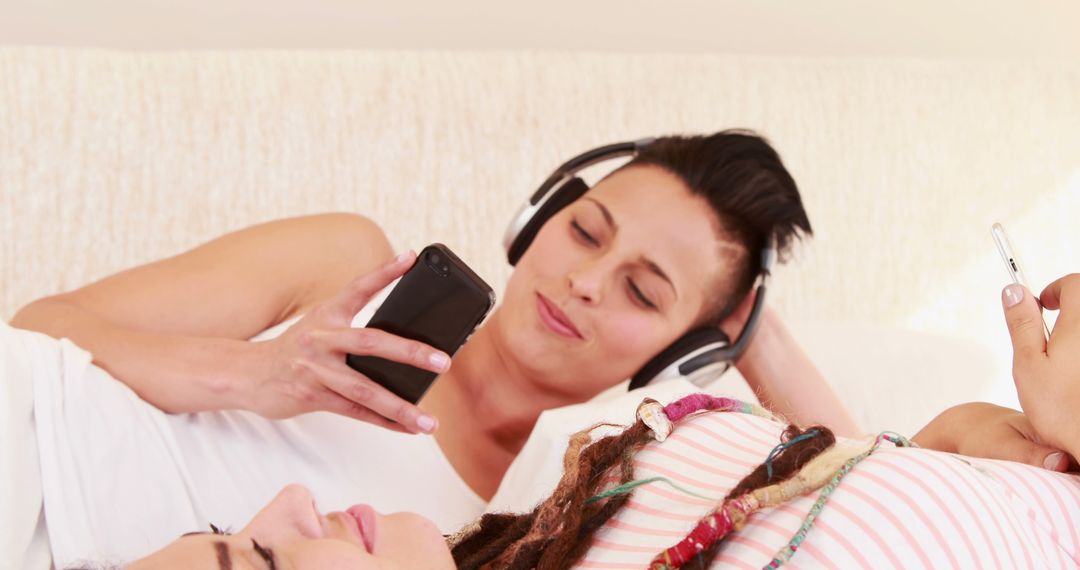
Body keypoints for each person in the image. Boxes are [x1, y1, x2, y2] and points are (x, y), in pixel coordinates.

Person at [7, 131, 860, 567]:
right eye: (585, 231)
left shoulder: (527, 525)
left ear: (680, 355)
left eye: (644, 291)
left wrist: (754, 333)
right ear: (534, 222)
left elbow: (864, 494)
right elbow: (42, 322)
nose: (588, 280)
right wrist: (256, 375)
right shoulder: (352, 266)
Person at [112, 275, 1080, 569]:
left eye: (230, 533)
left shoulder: (561, 519)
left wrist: (959, 444)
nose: (282, 503)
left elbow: (827, 486)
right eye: (263, 563)